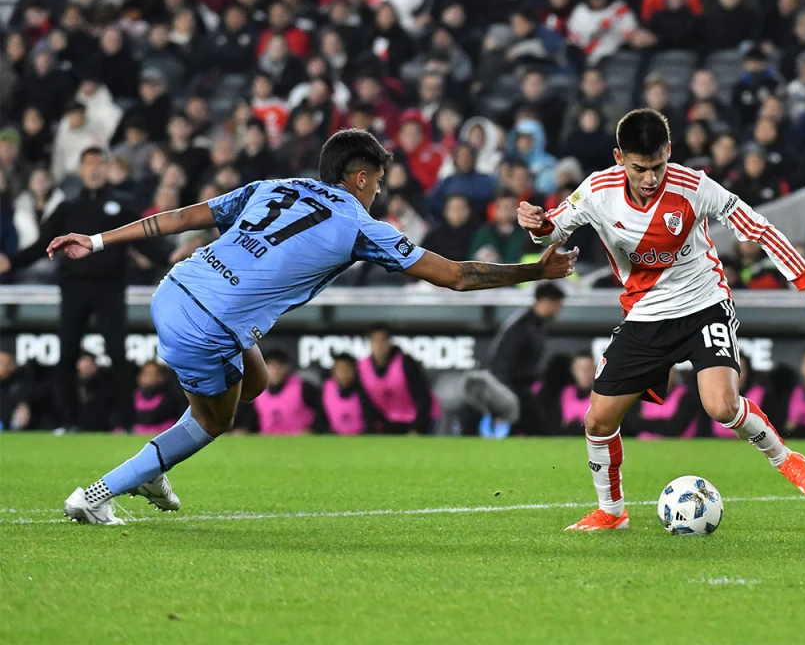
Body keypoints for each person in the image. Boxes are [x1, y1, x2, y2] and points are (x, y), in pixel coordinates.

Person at [53, 128, 578, 525]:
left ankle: (154, 467)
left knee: (253, 383)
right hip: (209, 323)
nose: (377, 193)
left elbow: (184, 216)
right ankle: (97, 495)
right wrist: (535, 271)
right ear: (361, 178)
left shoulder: (272, 186)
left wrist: (97, 240)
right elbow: (457, 276)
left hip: (175, 288)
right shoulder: (357, 224)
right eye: (378, 182)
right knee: (214, 422)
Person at [517, 108, 805, 531]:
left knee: (721, 405)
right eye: (639, 168)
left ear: (669, 152)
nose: (650, 178)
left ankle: (787, 459)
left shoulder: (694, 187)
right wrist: (536, 225)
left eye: (657, 166)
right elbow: (551, 229)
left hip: (703, 305)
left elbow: (759, 228)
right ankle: (612, 513)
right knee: (597, 421)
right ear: (620, 158)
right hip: (645, 315)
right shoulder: (597, 191)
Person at [1, 148, 164, 433]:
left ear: (107, 168)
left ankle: (125, 422)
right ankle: (68, 421)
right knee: (67, 356)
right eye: (89, 164)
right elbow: (43, 245)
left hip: (110, 289)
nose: (94, 169)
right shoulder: (68, 209)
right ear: (80, 170)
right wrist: (11, 261)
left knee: (118, 354)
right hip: (74, 289)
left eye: (100, 163)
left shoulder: (122, 208)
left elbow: (145, 243)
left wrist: (172, 257)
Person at [462, 282, 566, 437]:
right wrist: (505, 394)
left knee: (535, 427)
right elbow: (502, 360)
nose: (559, 309)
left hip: (521, 387)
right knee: (536, 429)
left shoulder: (536, 324)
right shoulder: (522, 326)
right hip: (511, 387)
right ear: (545, 301)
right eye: (557, 304)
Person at [359, 324, 435, 435]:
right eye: (375, 341)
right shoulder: (362, 367)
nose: (380, 346)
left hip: (419, 420)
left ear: (390, 342)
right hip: (390, 422)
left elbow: (423, 398)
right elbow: (365, 402)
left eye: (383, 340)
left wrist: (417, 427)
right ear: (369, 344)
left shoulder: (405, 363)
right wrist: (373, 427)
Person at [252, 349, 323, 435]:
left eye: (279, 366)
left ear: (287, 368)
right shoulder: (257, 391)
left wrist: (313, 429)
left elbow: (322, 412)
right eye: (271, 366)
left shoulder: (303, 387)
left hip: (301, 442)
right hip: (269, 442)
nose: (275, 371)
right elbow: (249, 422)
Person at [323, 353, 383, 436]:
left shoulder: (364, 391)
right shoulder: (326, 389)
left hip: (361, 439)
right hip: (335, 439)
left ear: (354, 371)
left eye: (347, 369)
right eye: (340, 369)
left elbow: (372, 423)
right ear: (333, 372)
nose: (343, 373)